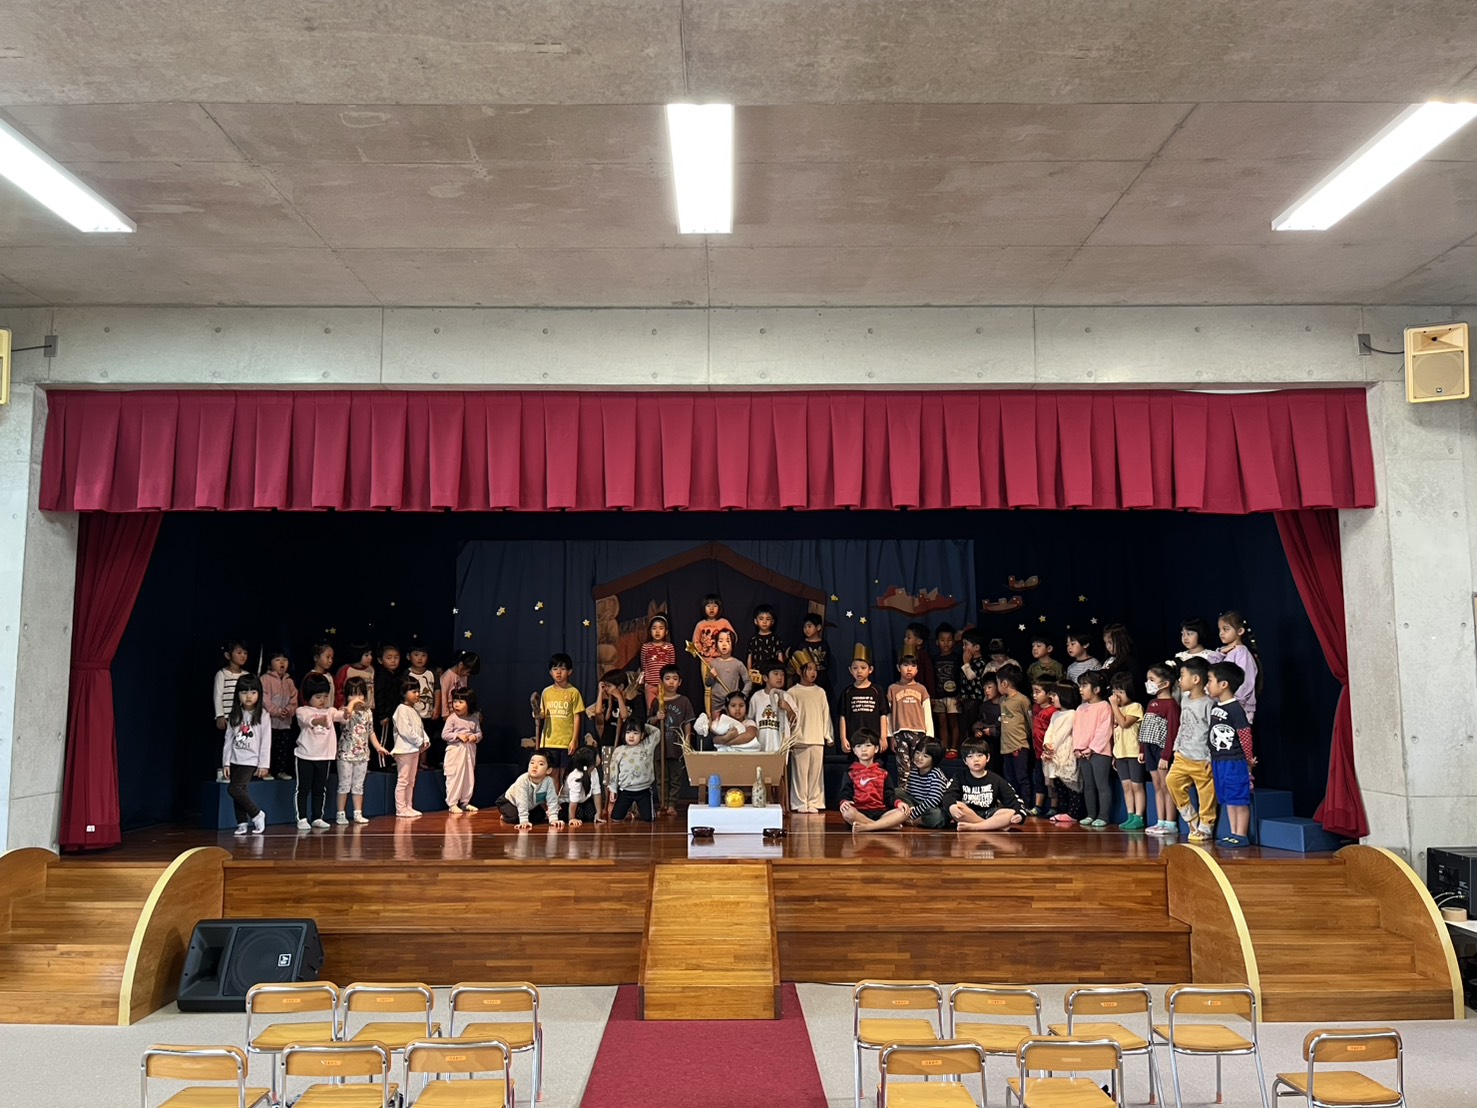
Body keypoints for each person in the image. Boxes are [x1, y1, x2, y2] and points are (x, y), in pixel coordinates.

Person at [1167, 656, 1217, 843]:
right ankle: (1190, 818)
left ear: (1195, 679)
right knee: (1172, 781)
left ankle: (1206, 825)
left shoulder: (1208, 704)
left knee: (1206, 792)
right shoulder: (1185, 700)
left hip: (1201, 758)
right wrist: (1176, 747)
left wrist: (1210, 757)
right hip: (1183, 755)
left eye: (1182, 676)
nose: (1180, 680)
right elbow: (1183, 725)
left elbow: (1213, 732)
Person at [1207, 660, 1256, 847]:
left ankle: (1241, 835)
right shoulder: (1216, 707)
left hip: (1234, 761)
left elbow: (1244, 735)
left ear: (1223, 684)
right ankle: (1232, 832)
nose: (1207, 685)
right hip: (1219, 760)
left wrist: (1248, 759)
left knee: (1238, 798)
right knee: (1227, 798)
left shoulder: (1236, 709)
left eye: (1210, 680)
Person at [294, 673, 347, 830]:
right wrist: (319, 721)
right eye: (318, 697)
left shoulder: (330, 711)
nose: (322, 700)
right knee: (303, 788)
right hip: (305, 756)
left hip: (324, 756)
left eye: (325, 696)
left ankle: (317, 817)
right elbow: (308, 721)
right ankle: (302, 818)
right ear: (308, 697)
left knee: (320, 789)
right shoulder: (302, 710)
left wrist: (348, 710)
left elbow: (342, 717)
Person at [221, 673, 269, 835]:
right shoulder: (235, 714)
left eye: (253, 692)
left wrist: (263, 764)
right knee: (239, 791)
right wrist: (226, 762)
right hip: (235, 758)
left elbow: (265, 741)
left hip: (251, 760)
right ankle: (241, 823)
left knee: (234, 789)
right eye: (244, 692)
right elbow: (228, 740)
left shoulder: (263, 715)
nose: (248, 697)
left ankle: (257, 814)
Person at [943, 740, 1026, 832]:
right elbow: (948, 795)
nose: (976, 759)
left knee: (1011, 812)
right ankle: (992, 826)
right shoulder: (959, 777)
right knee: (958, 806)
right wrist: (951, 806)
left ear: (988, 757)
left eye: (980, 755)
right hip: (968, 814)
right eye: (970, 756)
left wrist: (1020, 814)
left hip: (990, 814)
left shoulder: (996, 779)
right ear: (964, 761)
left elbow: (1013, 799)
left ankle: (975, 827)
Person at [335, 676, 385, 825]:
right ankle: (340, 814)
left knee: (358, 786)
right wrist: (351, 704)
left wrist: (378, 747)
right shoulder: (344, 710)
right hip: (346, 754)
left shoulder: (367, 712)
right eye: (352, 694)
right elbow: (345, 718)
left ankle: (358, 813)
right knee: (344, 785)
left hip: (362, 755)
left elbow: (370, 731)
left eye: (360, 694)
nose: (357, 698)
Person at [787, 651, 833, 812]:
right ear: (800, 671)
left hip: (816, 737)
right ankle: (800, 802)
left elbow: (825, 714)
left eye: (815, 669)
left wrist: (828, 735)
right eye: (809, 669)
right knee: (800, 774)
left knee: (815, 773)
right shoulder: (792, 692)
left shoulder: (820, 692)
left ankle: (814, 801)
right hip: (800, 738)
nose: (813, 673)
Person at [839, 729, 910, 831]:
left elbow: (889, 796)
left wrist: (898, 803)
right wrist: (844, 802)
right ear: (854, 751)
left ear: (876, 748)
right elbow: (845, 793)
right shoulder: (850, 773)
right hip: (859, 813)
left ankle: (868, 826)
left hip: (881, 812)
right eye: (859, 746)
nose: (863, 749)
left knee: (903, 812)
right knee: (847, 813)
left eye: (868, 745)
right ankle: (885, 825)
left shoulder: (883, 773)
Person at [1141, 664, 1181, 836]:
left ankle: (1171, 823)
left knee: (1166, 786)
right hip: (1149, 748)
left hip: (1162, 750)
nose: (1148, 683)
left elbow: (1172, 732)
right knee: (1157, 785)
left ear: (1165, 683)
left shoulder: (1171, 705)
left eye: (1152, 680)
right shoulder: (1151, 703)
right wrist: (1142, 749)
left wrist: (1166, 755)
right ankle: (1160, 821)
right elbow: (1146, 727)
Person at [1073, 670, 1114, 828]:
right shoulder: (1080, 708)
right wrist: (1077, 748)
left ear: (1096, 689)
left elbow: (1104, 730)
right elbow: (1077, 730)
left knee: (1101, 784)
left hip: (1099, 752)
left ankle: (1103, 816)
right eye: (1080, 686)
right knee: (1088, 785)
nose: (1081, 689)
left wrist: (1092, 748)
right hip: (1083, 753)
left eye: (1084, 686)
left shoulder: (1104, 706)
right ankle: (1091, 814)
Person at [887, 653, 935, 791]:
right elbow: (889, 714)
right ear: (898, 667)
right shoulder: (893, 689)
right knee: (903, 766)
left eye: (913, 666)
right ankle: (903, 794)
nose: (909, 669)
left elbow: (927, 713)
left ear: (917, 669)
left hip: (919, 733)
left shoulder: (921, 689)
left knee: (918, 764)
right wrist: (890, 736)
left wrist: (929, 736)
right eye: (905, 665)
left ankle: (919, 793)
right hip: (900, 733)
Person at [538, 653, 585, 790]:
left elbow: (577, 716)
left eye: (562, 669)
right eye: (555, 669)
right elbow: (542, 714)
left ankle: (565, 799)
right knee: (552, 773)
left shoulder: (573, 692)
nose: (558, 672)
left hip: (566, 741)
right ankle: (554, 800)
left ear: (569, 671)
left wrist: (574, 739)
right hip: (549, 741)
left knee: (566, 773)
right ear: (550, 672)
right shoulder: (546, 692)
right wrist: (537, 714)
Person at [654, 664, 695, 814]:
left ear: (680, 682)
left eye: (675, 678)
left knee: (676, 777)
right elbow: (649, 723)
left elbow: (687, 723)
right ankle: (663, 804)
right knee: (661, 778)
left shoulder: (684, 701)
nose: (671, 682)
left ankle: (672, 804)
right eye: (667, 678)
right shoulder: (657, 701)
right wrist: (656, 717)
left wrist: (687, 743)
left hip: (676, 746)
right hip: (660, 747)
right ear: (661, 681)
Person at [1109, 671, 1147, 830]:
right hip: (1120, 753)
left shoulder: (1135, 707)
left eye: (1121, 691)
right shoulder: (1117, 709)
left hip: (1133, 752)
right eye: (1115, 691)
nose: (1117, 695)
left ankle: (1139, 816)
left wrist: (1114, 706)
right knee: (1126, 786)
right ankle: (1130, 815)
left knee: (1137, 786)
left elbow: (1124, 724)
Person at [1042, 682, 1083, 824]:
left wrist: (1052, 747)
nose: (1051, 698)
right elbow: (1050, 731)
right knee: (1059, 784)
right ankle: (1063, 810)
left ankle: (1073, 813)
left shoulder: (1071, 714)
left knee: (1070, 783)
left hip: (1065, 752)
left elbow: (1062, 734)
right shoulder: (1055, 714)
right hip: (1054, 754)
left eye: (1055, 695)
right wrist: (1046, 744)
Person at [838, 645, 887, 759]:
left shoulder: (877, 690)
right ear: (850, 670)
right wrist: (843, 738)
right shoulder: (847, 692)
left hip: (873, 737)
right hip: (854, 739)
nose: (859, 671)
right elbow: (842, 716)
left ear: (870, 669)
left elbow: (883, 715)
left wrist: (883, 737)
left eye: (863, 668)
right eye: (855, 668)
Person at [995, 666, 1033, 814]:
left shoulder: (1022, 700)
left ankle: (1026, 805)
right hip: (1006, 746)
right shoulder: (1002, 701)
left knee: (1021, 777)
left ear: (1004, 683)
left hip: (1019, 744)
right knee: (1010, 778)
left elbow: (1030, 722)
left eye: (998, 683)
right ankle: (1014, 804)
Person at [212, 639, 251, 782]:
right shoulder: (222, 674)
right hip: (227, 717)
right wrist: (220, 715)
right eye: (239, 652)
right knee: (223, 745)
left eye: (245, 653)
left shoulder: (246, 675)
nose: (243, 656)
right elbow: (218, 695)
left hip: (241, 718)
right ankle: (221, 772)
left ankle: (236, 772)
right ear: (228, 655)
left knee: (239, 744)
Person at [442, 686, 482, 815]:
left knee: (468, 776)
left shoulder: (473, 719)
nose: (456, 705)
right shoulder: (452, 718)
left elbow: (479, 734)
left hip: (469, 751)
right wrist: (458, 736)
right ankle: (452, 803)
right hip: (456, 750)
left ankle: (465, 801)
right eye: (455, 701)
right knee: (455, 776)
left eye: (460, 702)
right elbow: (445, 734)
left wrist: (474, 737)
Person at [259, 651, 298, 781]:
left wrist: (288, 710)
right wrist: (276, 711)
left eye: (284, 660)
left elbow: (294, 699)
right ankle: (266, 770)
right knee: (268, 747)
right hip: (269, 722)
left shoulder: (289, 681)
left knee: (282, 748)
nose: (282, 662)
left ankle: (280, 771)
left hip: (285, 722)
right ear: (269, 664)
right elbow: (264, 699)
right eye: (277, 660)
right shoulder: (265, 679)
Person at [609, 721, 658, 822]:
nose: (631, 736)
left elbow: (656, 732)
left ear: (642, 735)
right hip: (625, 791)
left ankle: (638, 810)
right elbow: (613, 770)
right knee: (616, 818)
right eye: (628, 732)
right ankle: (630, 810)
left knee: (648, 819)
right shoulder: (619, 750)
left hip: (643, 790)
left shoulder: (647, 745)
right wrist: (613, 789)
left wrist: (640, 724)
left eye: (635, 733)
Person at [1217, 611, 1261, 723]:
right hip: (1225, 705)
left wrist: (1234, 700)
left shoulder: (1242, 653)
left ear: (1240, 631)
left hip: (1239, 707)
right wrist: (1220, 654)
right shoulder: (1225, 652)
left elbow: (1246, 681)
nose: (1221, 633)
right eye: (1220, 630)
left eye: (1226, 629)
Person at [500, 751, 563, 829]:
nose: (535, 766)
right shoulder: (523, 780)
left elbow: (552, 800)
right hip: (510, 801)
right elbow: (521, 801)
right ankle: (505, 816)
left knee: (540, 816)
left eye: (540, 764)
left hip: (530, 805)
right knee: (515, 818)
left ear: (548, 770)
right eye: (532, 763)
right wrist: (524, 820)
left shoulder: (549, 781)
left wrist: (553, 819)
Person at [901, 743, 951, 828]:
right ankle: (906, 816)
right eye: (917, 753)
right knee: (897, 792)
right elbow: (908, 792)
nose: (919, 758)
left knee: (937, 815)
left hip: (930, 807)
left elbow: (933, 801)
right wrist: (910, 806)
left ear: (934, 759)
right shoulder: (913, 771)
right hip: (915, 804)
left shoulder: (936, 776)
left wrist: (913, 815)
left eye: (925, 756)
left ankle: (913, 820)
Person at [750, 663, 797, 754]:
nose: (779, 677)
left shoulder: (787, 696)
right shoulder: (757, 697)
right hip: (761, 745)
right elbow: (750, 720)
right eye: (775, 674)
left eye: (782, 674)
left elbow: (794, 721)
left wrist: (788, 708)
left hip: (781, 746)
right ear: (765, 678)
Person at [405, 646, 440, 768]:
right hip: (413, 713)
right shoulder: (406, 674)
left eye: (423, 655)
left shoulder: (431, 673)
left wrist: (437, 707)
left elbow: (437, 690)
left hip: (428, 713)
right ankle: (414, 762)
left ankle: (423, 761)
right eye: (416, 655)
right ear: (408, 656)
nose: (420, 658)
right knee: (414, 737)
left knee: (427, 737)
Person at [1028, 675, 1058, 817]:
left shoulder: (1053, 711)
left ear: (1049, 694)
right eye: (1033, 692)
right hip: (1038, 752)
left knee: (1051, 781)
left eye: (1038, 692)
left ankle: (1054, 807)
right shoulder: (1035, 707)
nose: (1034, 695)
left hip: (1050, 754)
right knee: (1039, 779)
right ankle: (1038, 806)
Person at [930, 623, 962, 752]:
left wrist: (960, 694)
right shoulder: (934, 659)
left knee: (953, 722)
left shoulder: (957, 658)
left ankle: (954, 748)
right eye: (943, 640)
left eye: (949, 640)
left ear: (953, 641)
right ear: (937, 642)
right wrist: (932, 696)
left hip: (954, 696)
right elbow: (931, 678)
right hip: (938, 696)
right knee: (942, 723)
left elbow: (961, 677)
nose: (946, 643)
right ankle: (944, 748)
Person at [703, 628, 751, 713]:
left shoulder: (738, 664)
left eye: (728, 641)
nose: (724, 644)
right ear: (716, 644)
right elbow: (707, 683)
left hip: (732, 702)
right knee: (717, 721)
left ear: (733, 644)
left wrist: (742, 695)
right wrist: (711, 676)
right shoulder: (713, 663)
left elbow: (748, 681)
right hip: (716, 702)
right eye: (721, 641)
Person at [696, 690, 761, 751]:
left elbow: (750, 735)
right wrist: (726, 737)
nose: (737, 709)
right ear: (727, 709)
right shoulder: (722, 722)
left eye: (741, 705)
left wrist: (726, 742)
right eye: (733, 705)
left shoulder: (748, 722)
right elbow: (715, 739)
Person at [639, 614, 677, 712]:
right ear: (650, 631)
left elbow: (672, 667)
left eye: (661, 628)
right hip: (650, 685)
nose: (657, 631)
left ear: (666, 631)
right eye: (654, 628)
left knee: (666, 710)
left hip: (665, 685)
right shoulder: (646, 647)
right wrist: (646, 681)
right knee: (651, 709)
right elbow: (644, 664)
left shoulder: (669, 647)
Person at [958, 630, 987, 745]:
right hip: (966, 700)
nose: (963, 647)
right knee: (964, 726)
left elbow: (971, 677)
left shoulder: (981, 662)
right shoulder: (969, 662)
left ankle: (974, 747)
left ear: (976, 647)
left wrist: (966, 663)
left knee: (972, 726)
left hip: (975, 700)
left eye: (966, 644)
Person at [746, 604, 787, 688]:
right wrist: (749, 672)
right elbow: (750, 657)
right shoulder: (753, 639)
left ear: (772, 621)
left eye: (768, 619)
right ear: (755, 621)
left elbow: (780, 656)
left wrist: (780, 671)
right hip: (757, 675)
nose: (764, 622)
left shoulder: (775, 638)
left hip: (772, 674)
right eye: (761, 619)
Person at [563, 745, 603, 827]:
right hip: (568, 803)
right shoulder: (575, 776)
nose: (599, 756)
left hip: (583, 801)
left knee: (591, 815)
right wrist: (572, 818)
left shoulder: (594, 771)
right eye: (597, 755)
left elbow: (597, 793)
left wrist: (598, 813)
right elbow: (573, 800)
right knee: (579, 815)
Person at [1100, 623, 1140, 698]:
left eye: (1110, 643)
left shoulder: (1129, 662)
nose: (1108, 646)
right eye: (1106, 643)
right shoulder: (1107, 660)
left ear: (1120, 641)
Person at [440, 651, 480, 722]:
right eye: (468, 672)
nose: (468, 674)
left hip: (461, 713)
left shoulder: (464, 676)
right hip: (450, 713)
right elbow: (443, 696)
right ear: (461, 665)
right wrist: (445, 714)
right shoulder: (447, 676)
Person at [692, 594, 735, 661]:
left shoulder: (724, 622)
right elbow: (695, 641)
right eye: (708, 606)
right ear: (704, 608)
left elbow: (733, 638)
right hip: (705, 661)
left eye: (715, 606)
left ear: (719, 608)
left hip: (722, 660)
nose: (711, 608)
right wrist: (700, 650)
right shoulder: (700, 624)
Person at [800, 614, 833, 700]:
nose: (806, 629)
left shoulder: (824, 644)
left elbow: (827, 662)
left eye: (809, 626)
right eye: (804, 627)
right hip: (806, 678)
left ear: (818, 627)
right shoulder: (802, 645)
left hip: (821, 678)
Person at [335, 643, 375, 710]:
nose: (370, 657)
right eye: (366, 655)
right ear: (357, 654)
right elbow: (339, 691)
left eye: (371, 654)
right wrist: (341, 706)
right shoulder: (345, 670)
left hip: (366, 709)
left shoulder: (371, 669)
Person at [902, 623, 936, 697]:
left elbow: (929, 677)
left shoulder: (923, 656)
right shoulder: (903, 654)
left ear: (919, 641)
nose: (905, 640)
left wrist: (931, 694)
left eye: (908, 637)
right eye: (905, 637)